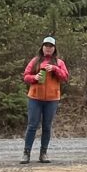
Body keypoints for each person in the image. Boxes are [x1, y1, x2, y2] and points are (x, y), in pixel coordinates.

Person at [21, 36, 69, 164]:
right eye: (46, 46)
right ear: (42, 47)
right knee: (32, 126)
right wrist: (34, 77)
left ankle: (43, 153)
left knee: (47, 127)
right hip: (35, 98)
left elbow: (65, 77)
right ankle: (26, 153)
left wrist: (55, 69)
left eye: (51, 46)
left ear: (54, 48)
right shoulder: (35, 60)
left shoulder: (59, 62)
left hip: (52, 99)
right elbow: (25, 76)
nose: (48, 48)